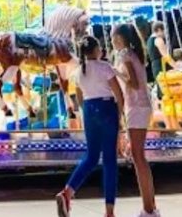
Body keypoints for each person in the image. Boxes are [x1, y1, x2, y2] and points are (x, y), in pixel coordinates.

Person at [54, 35, 125, 217]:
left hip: (89, 110)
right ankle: (109, 211)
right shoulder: (105, 67)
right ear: (96, 50)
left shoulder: (78, 72)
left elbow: (78, 97)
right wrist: (121, 118)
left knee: (91, 157)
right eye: (100, 47)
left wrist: (86, 111)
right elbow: (119, 94)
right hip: (107, 108)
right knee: (109, 160)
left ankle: (68, 192)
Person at [111, 23, 159, 217]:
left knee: (138, 157)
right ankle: (150, 205)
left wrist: (115, 73)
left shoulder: (124, 55)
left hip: (136, 106)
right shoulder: (134, 53)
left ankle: (148, 208)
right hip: (142, 106)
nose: (113, 41)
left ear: (122, 38)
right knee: (139, 157)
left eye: (115, 37)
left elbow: (134, 82)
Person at [146, 21, 171, 92]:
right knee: (166, 89)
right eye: (164, 30)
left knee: (161, 89)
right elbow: (166, 56)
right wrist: (177, 67)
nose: (165, 34)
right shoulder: (158, 39)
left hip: (155, 67)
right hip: (161, 66)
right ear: (159, 30)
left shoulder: (149, 40)